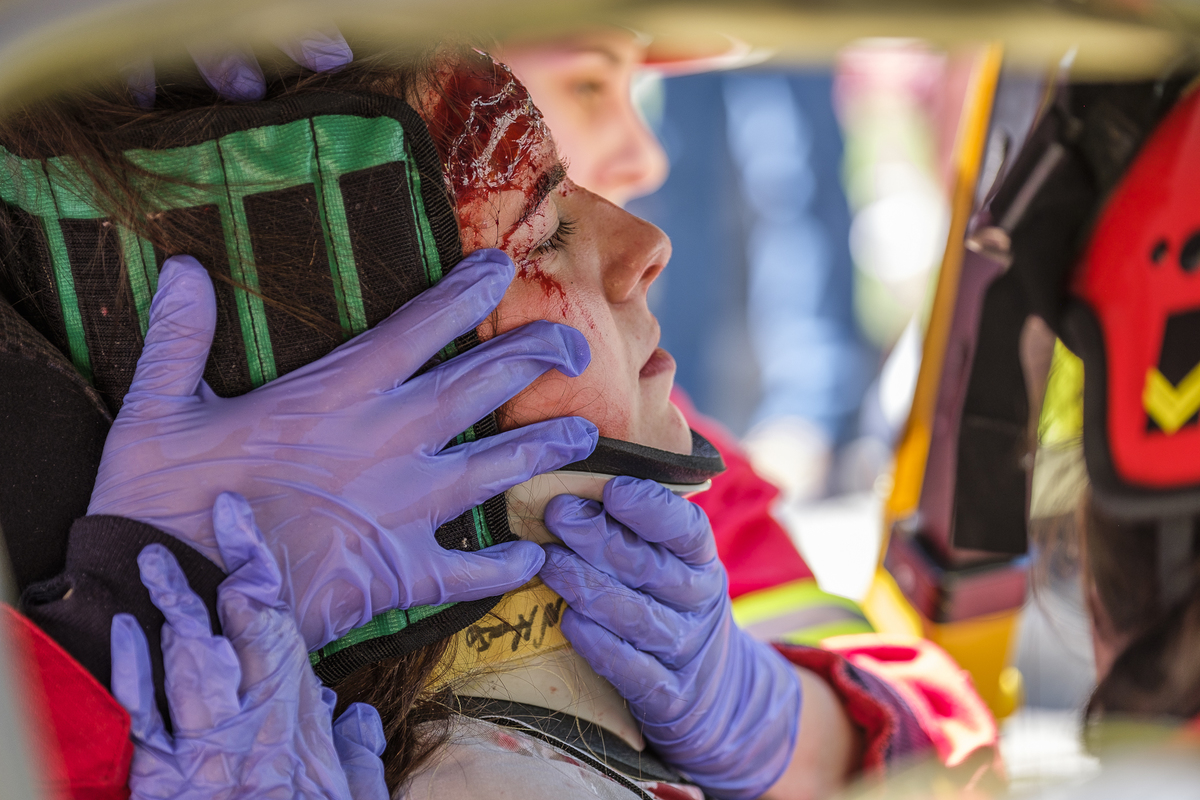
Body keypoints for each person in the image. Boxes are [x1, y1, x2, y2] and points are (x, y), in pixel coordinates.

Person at [0, 44, 996, 798]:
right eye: (593, 78)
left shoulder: (649, 475)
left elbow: (952, 730)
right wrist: (98, 645)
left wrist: (773, 715)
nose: (646, 196)